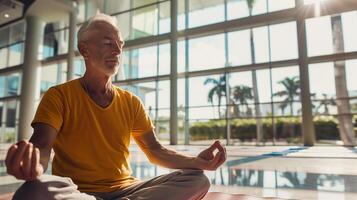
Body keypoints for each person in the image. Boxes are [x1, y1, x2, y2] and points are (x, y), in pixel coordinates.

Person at [5, 13, 227, 200]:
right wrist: (35, 166)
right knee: (32, 190)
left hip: (126, 190)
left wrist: (196, 162)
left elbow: (155, 150)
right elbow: (42, 144)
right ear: (84, 50)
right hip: (78, 192)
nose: (117, 51)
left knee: (197, 179)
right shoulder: (59, 96)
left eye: (120, 45)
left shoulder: (131, 102)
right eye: (108, 43)